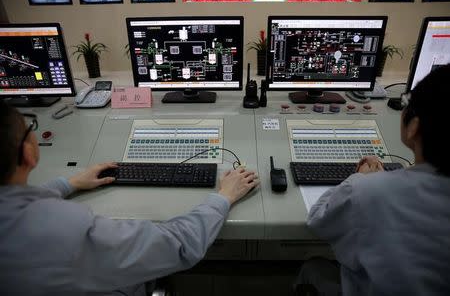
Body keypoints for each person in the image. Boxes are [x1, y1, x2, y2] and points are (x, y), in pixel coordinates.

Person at [0, 102, 260, 296]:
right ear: (29, 153)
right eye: (29, 128)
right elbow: (179, 245)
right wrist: (224, 196)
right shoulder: (65, 231)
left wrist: (68, 183)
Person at [296, 64, 450, 296]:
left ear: (413, 127)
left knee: (314, 267)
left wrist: (361, 180)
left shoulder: (366, 190)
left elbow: (318, 220)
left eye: (407, 103)